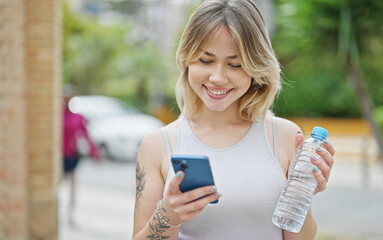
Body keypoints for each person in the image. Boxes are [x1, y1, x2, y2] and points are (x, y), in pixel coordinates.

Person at [132, 0, 335, 239]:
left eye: (235, 64)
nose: (218, 77)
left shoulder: (286, 137)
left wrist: (304, 194)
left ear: (255, 67)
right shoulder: (157, 145)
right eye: (205, 60)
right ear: (186, 59)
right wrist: (168, 214)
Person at [62, 86, 99, 224]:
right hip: (59, 155)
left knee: (72, 184)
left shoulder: (77, 117)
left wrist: (94, 151)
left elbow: (85, 134)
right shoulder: (56, 116)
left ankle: (70, 213)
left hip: (71, 154)